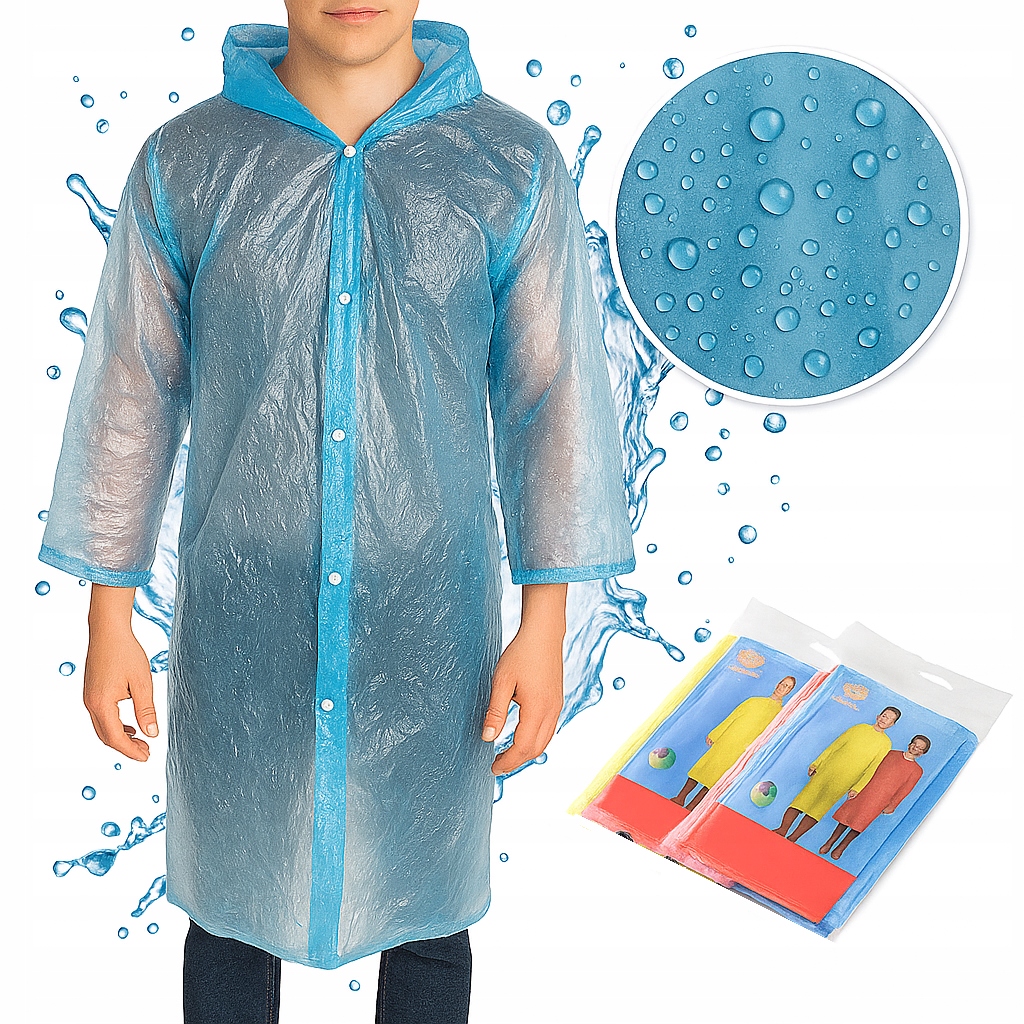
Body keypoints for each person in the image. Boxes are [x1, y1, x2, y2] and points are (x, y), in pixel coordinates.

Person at [37, 3, 635, 1022]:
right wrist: (108, 617)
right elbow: (132, 391)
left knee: (427, 904)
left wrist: (545, 624)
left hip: (430, 617)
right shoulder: (190, 161)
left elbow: (552, 400)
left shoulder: (509, 165)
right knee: (231, 901)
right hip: (245, 615)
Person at [773, 706, 901, 846]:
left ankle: (794, 837)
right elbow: (835, 746)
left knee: (818, 809)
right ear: (878, 716)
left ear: (892, 724)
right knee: (802, 800)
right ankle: (783, 829)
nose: (885, 719)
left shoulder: (886, 744)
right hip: (827, 770)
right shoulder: (859, 728)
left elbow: (873, 767)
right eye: (884, 715)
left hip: (845, 780)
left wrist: (857, 788)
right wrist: (817, 763)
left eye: (889, 719)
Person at [670, 675, 796, 810]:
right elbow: (733, 717)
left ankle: (692, 807)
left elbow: (769, 736)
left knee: (715, 779)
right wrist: (715, 734)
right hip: (727, 740)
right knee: (702, 769)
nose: (783, 688)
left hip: (741, 749)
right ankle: (680, 797)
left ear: (789, 692)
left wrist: (753, 750)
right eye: (783, 684)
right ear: (777, 684)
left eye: (788, 687)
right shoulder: (754, 701)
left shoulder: (780, 715)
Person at [818, 734, 930, 860]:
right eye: (915, 744)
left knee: (860, 824)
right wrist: (858, 787)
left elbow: (905, 790)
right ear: (910, 744)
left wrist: (892, 805)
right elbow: (872, 769)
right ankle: (829, 842)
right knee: (847, 817)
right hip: (866, 790)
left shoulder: (917, 771)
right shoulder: (891, 754)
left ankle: (841, 847)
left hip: (880, 800)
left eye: (920, 748)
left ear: (922, 753)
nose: (915, 748)